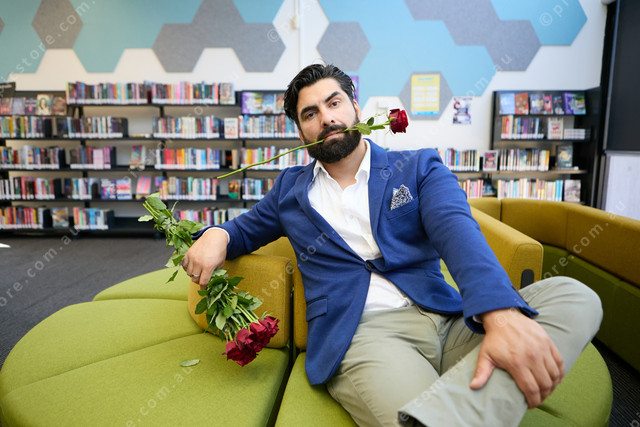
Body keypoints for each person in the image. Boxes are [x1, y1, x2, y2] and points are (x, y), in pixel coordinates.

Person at [181, 64, 602, 426]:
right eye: (310, 113)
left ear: (355, 107)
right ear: (300, 130)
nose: (326, 118)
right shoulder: (289, 191)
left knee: (573, 297)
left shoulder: (416, 167)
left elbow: (456, 230)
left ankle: (439, 410)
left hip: (450, 321)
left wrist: (499, 314)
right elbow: (242, 230)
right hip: (366, 334)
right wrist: (217, 234)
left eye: (333, 103)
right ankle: (459, 402)